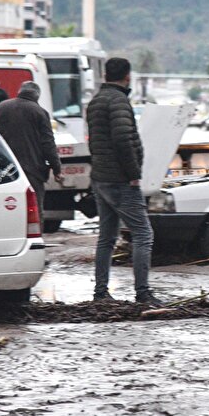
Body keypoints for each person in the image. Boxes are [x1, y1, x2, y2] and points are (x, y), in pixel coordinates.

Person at [86, 57, 161, 306]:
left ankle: (100, 293)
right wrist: (133, 175)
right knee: (143, 234)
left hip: (100, 177)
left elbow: (95, 141)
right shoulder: (119, 101)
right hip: (119, 179)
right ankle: (142, 293)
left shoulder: (95, 101)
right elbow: (122, 140)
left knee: (106, 237)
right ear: (127, 76)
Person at [0, 81, 63, 225]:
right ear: (37, 96)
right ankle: (34, 242)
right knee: (35, 210)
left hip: (5, 169)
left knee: (7, 208)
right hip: (32, 170)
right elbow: (48, 143)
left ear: (19, 91)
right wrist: (57, 169)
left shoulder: (3, 107)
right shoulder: (40, 112)